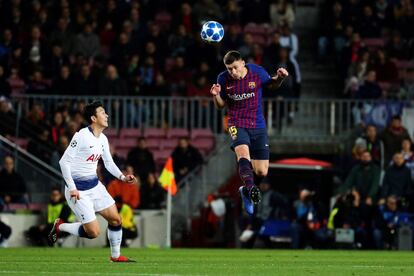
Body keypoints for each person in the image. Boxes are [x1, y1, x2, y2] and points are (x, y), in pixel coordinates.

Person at [48, 101, 136, 262]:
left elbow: (108, 163)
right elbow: (64, 162)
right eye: (102, 112)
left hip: (95, 186)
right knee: (93, 233)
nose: (106, 115)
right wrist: (72, 188)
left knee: (116, 220)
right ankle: (60, 226)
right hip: (78, 191)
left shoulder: (103, 139)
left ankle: (115, 256)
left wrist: (123, 177)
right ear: (93, 118)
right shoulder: (81, 136)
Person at [210, 50, 288, 215]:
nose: (233, 72)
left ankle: (245, 190)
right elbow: (220, 105)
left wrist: (280, 78)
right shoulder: (223, 79)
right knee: (243, 153)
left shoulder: (257, 72)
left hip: (258, 124)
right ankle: (251, 188)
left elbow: (272, 85)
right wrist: (215, 96)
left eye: (235, 67)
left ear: (243, 63)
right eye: (229, 68)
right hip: (236, 123)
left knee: (261, 171)